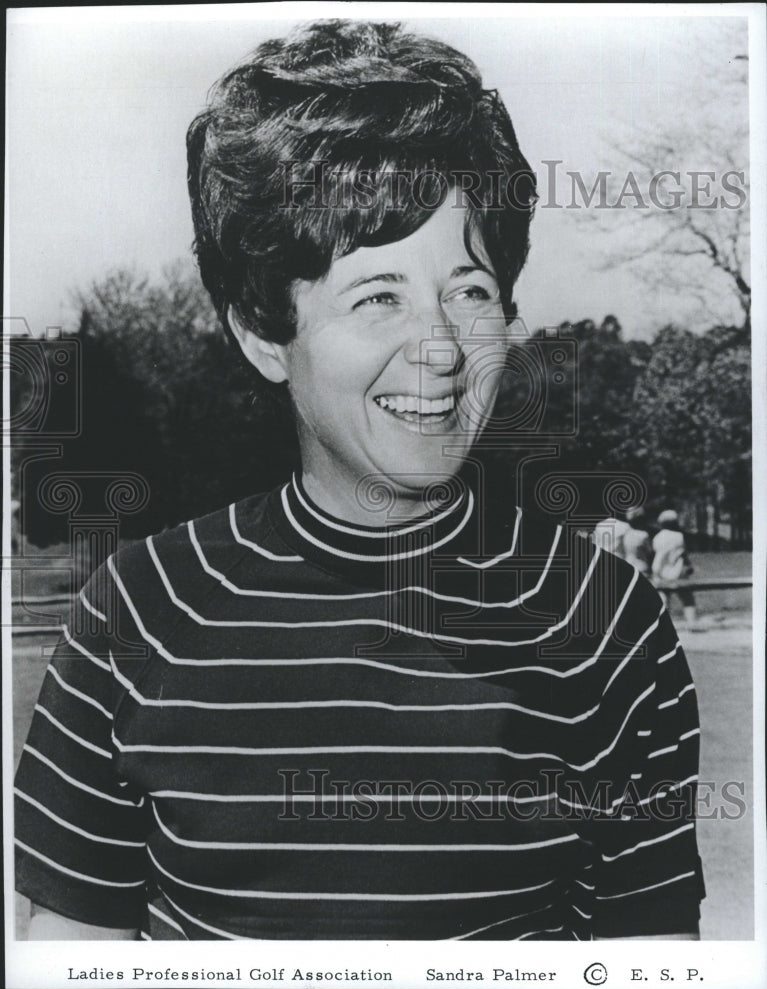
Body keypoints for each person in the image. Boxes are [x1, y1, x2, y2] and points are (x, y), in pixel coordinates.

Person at [14, 19, 704, 942]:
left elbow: (647, 960)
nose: (439, 348)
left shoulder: (606, 621)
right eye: (377, 296)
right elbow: (72, 954)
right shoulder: (134, 616)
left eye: (467, 290)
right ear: (264, 334)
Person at [652, 509, 697, 625]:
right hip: (676, 571)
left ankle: (662, 626)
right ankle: (691, 623)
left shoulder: (657, 537)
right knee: (687, 598)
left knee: (664, 599)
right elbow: (683, 553)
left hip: (660, 571)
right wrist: (689, 565)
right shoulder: (679, 536)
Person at [622, 506, 653, 577]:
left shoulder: (626, 534)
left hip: (628, 567)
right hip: (642, 568)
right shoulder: (644, 535)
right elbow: (650, 553)